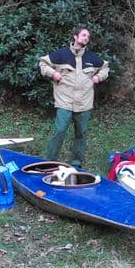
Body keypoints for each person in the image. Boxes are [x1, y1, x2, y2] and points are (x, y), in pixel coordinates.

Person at [39, 27, 109, 167]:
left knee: (81, 134)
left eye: (87, 36)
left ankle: (76, 163)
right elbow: (42, 63)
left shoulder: (91, 57)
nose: (86, 38)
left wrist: (98, 77)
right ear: (75, 37)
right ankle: (49, 161)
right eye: (83, 35)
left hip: (84, 103)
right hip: (64, 102)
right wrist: (53, 73)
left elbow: (105, 68)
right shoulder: (61, 54)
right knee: (59, 131)